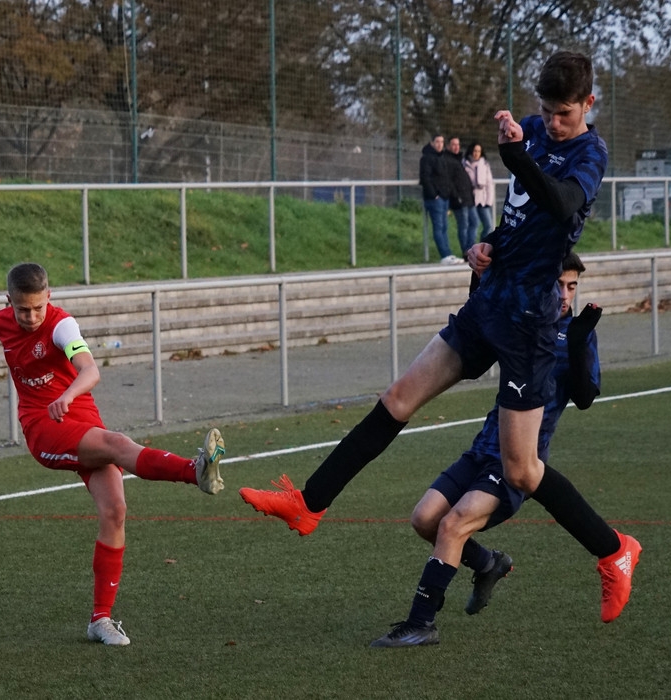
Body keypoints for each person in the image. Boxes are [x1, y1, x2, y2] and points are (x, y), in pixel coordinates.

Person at [240, 51, 608, 544]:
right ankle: (309, 503)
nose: (554, 122)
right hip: (490, 302)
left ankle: (613, 548)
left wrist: (516, 156)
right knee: (398, 397)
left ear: (588, 103)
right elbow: (519, 218)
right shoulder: (533, 131)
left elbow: (562, 206)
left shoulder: (590, 154)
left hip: (528, 321)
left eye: (564, 113)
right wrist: (488, 246)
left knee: (521, 472)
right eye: (546, 111)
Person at [370, 253, 641, 647]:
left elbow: (583, 398)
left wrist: (578, 344)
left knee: (453, 524)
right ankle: (488, 563)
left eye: (572, 286)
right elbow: (480, 323)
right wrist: (479, 272)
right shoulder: (523, 321)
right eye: (558, 285)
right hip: (483, 447)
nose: (566, 295)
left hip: (518, 461)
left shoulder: (576, 333)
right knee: (425, 519)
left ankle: (420, 623)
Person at [0, 262, 227, 646]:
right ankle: (194, 470)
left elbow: (90, 370)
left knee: (115, 511)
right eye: (22, 310)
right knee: (118, 444)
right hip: (44, 426)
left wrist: (68, 394)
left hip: (78, 413)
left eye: (38, 308)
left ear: (49, 297)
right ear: (8, 302)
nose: (31, 317)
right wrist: (57, 399)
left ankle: (100, 620)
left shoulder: (62, 326)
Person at [419, 134, 461, 264]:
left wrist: (447, 194)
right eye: (437, 142)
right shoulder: (427, 158)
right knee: (438, 227)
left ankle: (448, 254)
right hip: (435, 199)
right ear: (432, 143)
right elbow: (425, 178)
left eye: (442, 142)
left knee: (444, 227)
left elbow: (445, 178)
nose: (440, 144)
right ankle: (445, 255)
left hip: (444, 197)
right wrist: (434, 195)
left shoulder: (442, 157)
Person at [444, 136, 478, 258]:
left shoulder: (459, 160)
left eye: (458, 144)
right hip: (459, 200)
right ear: (448, 146)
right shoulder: (447, 160)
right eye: (453, 144)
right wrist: (456, 197)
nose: (456, 147)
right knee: (463, 225)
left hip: (468, 198)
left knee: (474, 222)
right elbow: (449, 181)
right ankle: (466, 251)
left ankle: (470, 247)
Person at [464, 142, 495, 240]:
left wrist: (489, 201)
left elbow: (489, 184)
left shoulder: (485, 164)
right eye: (474, 151)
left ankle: (482, 244)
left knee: (488, 225)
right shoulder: (465, 164)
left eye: (478, 151)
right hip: (470, 199)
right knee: (474, 224)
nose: (476, 153)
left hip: (483, 200)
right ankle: (470, 246)